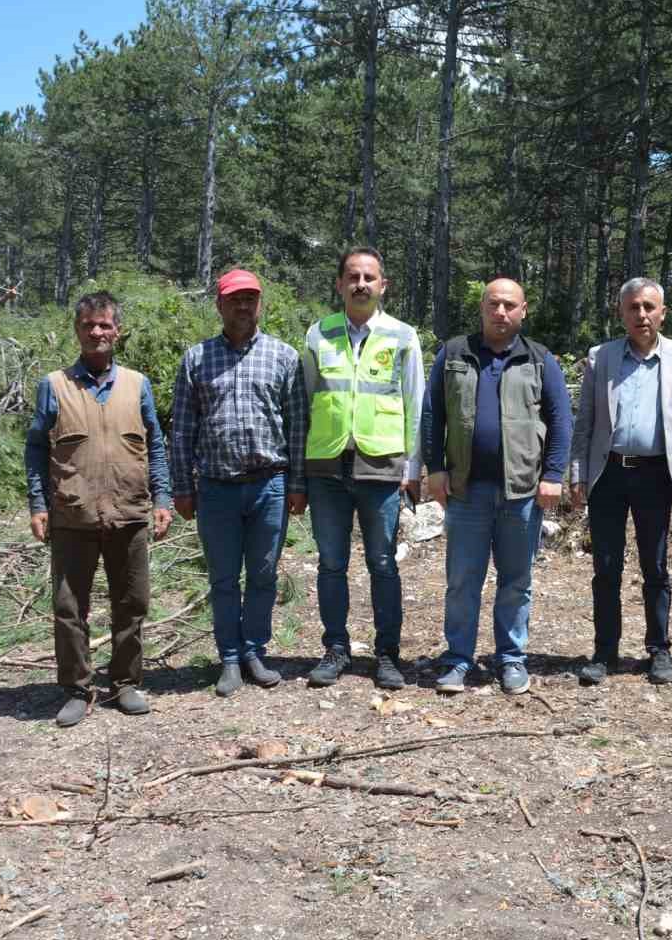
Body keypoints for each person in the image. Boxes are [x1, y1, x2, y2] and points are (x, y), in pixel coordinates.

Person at [25, 291, 173, 728]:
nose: (97, 332)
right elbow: (35, 450)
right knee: (70, 608)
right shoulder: (54, 386)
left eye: (105, 324)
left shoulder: (136, 384)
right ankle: (76, 688)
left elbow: (156, 445)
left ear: (117, 331)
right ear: (77, 330)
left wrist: (162, 498)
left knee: (132, 603)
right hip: (73, 515)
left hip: (129, 512)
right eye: (89, 325)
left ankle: (125, 684)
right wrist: (38, 505)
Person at [421, 278, 573, 696]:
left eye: (510, 305)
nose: (501, 312)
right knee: (462, 580)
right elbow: (432, 413)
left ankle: (510, 659)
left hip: (521, 491)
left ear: (523, 310)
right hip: (466, 490)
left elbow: (561, 420)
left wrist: (554, 476)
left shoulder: (540, 359)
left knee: (516, 581)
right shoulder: (454, 354)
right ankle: (457, 660)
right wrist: (434, 468)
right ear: (483, 308)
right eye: (493, 304)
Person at [169, 269, 307, 698]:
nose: (243, 306)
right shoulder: (196, 359)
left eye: (250, 299)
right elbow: (182, 429)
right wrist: (181, 488)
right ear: (220, 305)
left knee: (263, 575)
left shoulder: (284, 357)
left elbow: (299, 426)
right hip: (216, 488)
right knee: (224, 578)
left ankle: (254, 652)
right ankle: (228, 658)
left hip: (270, 485)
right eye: (235, 299)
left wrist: (299, 483)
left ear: (260, 304)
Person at [296, 248, 424, 691]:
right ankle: (335, 649)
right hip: (327, 465)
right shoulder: (319, 333)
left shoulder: (402, 335)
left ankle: (387, 654)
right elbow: (310, 397)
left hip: (382, 467)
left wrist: (413, 466)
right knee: (331, 564)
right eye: (353, 276)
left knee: (383, 562)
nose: (361, 284)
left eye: (370, 277)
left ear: (383, 285)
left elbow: (415, 403)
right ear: (339, 284)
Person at [570, 277, 672, 686]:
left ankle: (659, 650)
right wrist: (577, 474)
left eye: (649, 307)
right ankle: (605, 652)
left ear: (662, 312)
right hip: (608, 471)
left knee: (656, 566)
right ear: (621, 312)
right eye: (634, 307)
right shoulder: (602, 357)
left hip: (656, 473)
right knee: (606, 566)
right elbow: (585, 422)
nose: (641, 314)